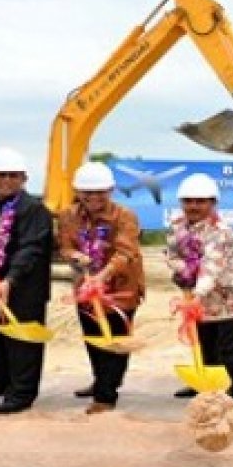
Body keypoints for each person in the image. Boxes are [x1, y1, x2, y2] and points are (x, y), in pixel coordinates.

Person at [0, 147, 53, 415]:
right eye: (0, 175)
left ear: (24, 178)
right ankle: (3, 382)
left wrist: (11, 279)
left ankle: (22, 394)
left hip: (23, 288)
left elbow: (32, 248)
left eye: (13, 176)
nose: (6, 180)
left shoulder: (34, 209)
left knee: (22, 342)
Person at [57, 162, 145, 414]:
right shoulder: (67, 216)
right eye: (87, 192)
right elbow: (64, 247)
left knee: (116, 342)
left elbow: (126, 252)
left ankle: (106, 397)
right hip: (85, 288)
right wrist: (75, 255)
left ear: (111, 190)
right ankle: (100, 381)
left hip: (121, 288)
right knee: (94, 338)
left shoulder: (125, 216)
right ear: (77, 191)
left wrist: (102, 276)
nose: (94, 197)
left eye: (100, 192)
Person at [166, 173, 233, 400]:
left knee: (229, 356)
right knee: (205, 349)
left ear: (213, 203)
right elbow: (170, 254)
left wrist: (196, 293)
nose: (193, 206)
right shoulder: (177, 226)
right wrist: (183, 270)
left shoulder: (221, 231)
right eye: (188, 201)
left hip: (230, 303)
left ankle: (225, 399)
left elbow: (211, 267)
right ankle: (203, 388)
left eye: (200, 201)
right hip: (199, 304)